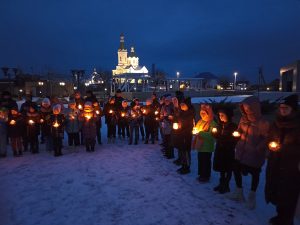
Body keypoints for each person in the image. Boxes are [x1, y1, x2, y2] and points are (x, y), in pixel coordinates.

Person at [265, 94, 300, 225]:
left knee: (289, 192)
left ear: (293, 109)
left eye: (286, 108)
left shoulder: (297, 125)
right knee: (277, 188)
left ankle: (287, 219)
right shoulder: (276, 124)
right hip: (275, 162)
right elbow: (269, 138)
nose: (283, 110)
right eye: (281, 107)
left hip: (291, 165)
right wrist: (270, 145)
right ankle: (280, 215)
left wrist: (283, 149)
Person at [229, 96, 269, 210]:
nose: (247, 111)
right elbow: (239, 130)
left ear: (255, 108)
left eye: (249, 108)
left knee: (254, 174)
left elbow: (266, 138)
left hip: (254, 154)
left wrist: (258, 147)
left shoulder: (262, 122)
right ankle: (239, 192)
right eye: (245, 108)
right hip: (241, 151)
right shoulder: (243, 119)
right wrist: (236, 133)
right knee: (236, 169)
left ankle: (252, 197)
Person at [212, 107, 238, 193]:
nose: (220, 117)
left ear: (228, 115)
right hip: (220, 149)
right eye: (219, 115)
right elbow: (216, 136)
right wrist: (214, 133)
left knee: (228, 168)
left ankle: (226, 185)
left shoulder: (233, 126)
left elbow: (235, 138)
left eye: (222, 115)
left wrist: (234, 137)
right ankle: (221, 183)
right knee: (221, 168)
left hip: (228, 150)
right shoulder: (219, 125)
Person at [192, 104, 217, 183]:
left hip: (207, 147)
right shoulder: (200, 121)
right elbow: (196, 129)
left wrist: (200, 133)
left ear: (208, 113)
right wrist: (194, 131)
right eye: (201, 113)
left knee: (206, 161)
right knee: (200, 160)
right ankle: (201, 174)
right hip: (200, 145)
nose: (202, 115)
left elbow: (212, 136)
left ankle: (206, 176)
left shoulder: (212, 123)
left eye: (204, 113)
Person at [173, 98, 194, 174]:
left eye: (183, 105)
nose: (181, 106)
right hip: (181, 134)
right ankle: (183, 165)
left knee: (186, 151)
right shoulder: (182, 112)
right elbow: (177, 117)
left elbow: (190, 126)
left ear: (187, 105)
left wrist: (181, 130)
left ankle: (187, 167)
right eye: (181, 105)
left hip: (186, 136)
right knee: (181, 150)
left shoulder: (190, 114)